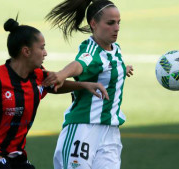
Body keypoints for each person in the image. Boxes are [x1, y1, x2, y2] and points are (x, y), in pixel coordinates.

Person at [0, 18, 109, 169]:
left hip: (15, 155)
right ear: (26, 51)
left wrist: (83, 85)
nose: (45, 53)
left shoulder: (38, 75)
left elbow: (54, 85)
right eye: (41, 48)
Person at [44, 0, 134, 168]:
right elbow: (79, 65)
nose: (117, 28)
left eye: (118, 22)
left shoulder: (115, 49)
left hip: (110, 133)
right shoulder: (91, 50)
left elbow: (108, 67)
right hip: (84, 129)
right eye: (110, 23)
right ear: (93, 24)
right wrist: (62, 75)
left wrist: (122, 69)